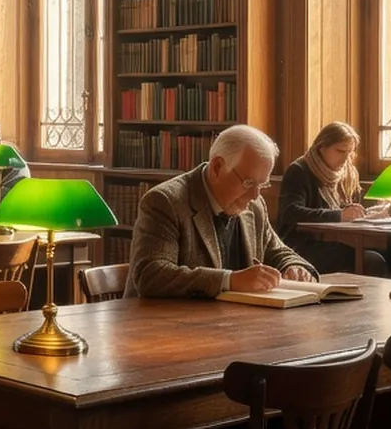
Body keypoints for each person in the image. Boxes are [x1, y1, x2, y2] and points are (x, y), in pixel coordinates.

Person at [125, 124, 318, 299]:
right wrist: (229, 280)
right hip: (162, 327)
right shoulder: (166, 201)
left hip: (230, 324)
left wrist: (293, 266)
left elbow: (276, 250)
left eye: (262, 184)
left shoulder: (255, 205)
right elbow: (151, 275)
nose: (255, 194)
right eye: (248, 182)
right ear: (217, 167)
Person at [277, 121, 390, 274]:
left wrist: (368, 213)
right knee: (372, 260)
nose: (346, 159)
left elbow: (344, 207)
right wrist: (339, 215)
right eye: (340, 151)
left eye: (350, 153)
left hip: (335, 240)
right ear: (321, 147)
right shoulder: (299, 170)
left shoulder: (345, 173)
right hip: (303, 245)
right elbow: (291, 212)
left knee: (390, 254)